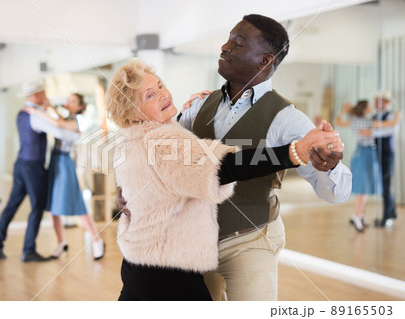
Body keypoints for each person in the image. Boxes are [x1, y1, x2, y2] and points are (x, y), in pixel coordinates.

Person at [106, 59, 343, 301]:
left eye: (159, 85)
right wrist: (294, 152)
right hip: (166, 274)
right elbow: (227, 166)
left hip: (142, 265)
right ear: (133, 112)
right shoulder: (161, 143)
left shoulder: (131, 137)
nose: (162, 94)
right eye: (149, 96)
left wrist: (191, 113)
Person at [178, 14, 352, 300]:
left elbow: (336, 194)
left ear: (265, 60)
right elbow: (169, 159)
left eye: (239, 43)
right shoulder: (198, 106)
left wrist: (329, 167)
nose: (225, 47)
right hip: (197, 241)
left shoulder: (288, 119)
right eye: (228, 39)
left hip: (250, 240)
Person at [0, 81, 79, 262]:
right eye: (43, 93)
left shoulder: (22, 113)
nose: (46, 95)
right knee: (37, 207)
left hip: (20, 164)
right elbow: (59, 132)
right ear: (35, 96)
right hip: (33, 168)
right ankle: (28, 250)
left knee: (11, 206)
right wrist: (76, 133)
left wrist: (47, 108)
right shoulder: (37, 116)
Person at [25, 93, 105, 260]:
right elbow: (59, 118)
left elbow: (56, 123)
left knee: (77, 204)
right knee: (53, 206)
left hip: (64, 163)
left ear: (80, 107)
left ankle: (97, 241)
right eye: (68, 100)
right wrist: (52, 106)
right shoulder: (68, 117)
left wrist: (36, 111)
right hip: (54, 162)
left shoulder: (74, 122)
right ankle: (61, 242)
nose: (68, 102)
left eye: (73, 101)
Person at [336, 100, 400, 231]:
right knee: (364, 189)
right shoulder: (367, 122)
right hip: (367, 154)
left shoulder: (354, 120)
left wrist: (344, 110)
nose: (372, 107)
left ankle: (360, 216)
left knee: (364, 186)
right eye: (369, 106)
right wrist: (398, 115)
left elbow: (338, 122)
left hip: (360, 153)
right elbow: (391, 124)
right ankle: (357, 216)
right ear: (364, 109)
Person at [372, 91, 401, 227]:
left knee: (385, 183)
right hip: (377, 152)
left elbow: (391, 131)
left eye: (378, 100)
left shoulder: (391, 115)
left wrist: (374, 129)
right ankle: (392, 212)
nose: (375, 103)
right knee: (384, 183)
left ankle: (387, 217)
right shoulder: (375, 116)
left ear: (386, 102)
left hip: (387, 153)